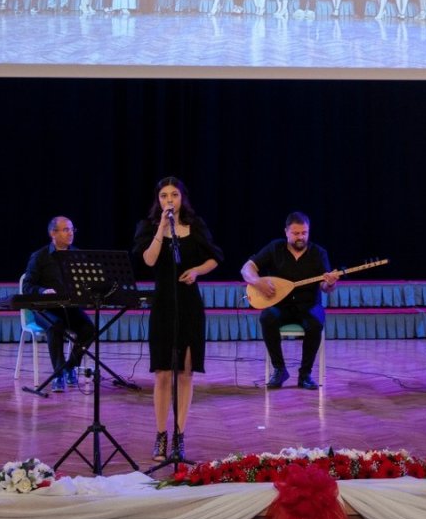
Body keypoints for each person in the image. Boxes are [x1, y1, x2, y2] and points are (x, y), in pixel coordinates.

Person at [132, 176, 222, 463]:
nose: (169, 200)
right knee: (162, 373)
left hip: (189, 303)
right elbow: (148, 259)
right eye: (164, 196)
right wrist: (161, 226)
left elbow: (215, 257)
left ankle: (180, 435)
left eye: (174, 195)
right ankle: (160, 434)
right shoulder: (148, 226)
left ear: (182, 198)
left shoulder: (196, 225)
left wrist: (196, 271)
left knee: (185, 372)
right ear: (158, 200)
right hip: (163, 303)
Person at [241, 212, 341, 390]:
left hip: (309, 305)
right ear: (286, 232)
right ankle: (279, 370)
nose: (301, 237)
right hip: (280, 305)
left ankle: (305, 375)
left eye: (304, 233)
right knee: (267, 318)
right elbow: (247, 268)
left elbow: (325, 287)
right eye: (296, 233)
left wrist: (330, 283)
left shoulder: (318, 253)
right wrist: (257, 282)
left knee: (315, 323)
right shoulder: (275, 248)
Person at [21, 216, 97, 392]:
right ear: (53, 233)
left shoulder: (77, 255)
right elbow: (27, 286)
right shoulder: (40, 257)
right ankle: (58, 374)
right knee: (56, 325)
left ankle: (70, 367)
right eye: (66, 229)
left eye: (72, 229)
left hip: (69, 308)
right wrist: (42, 291)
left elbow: (85, 283)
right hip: (44, 309)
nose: (70, 233)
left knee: (89, 329)